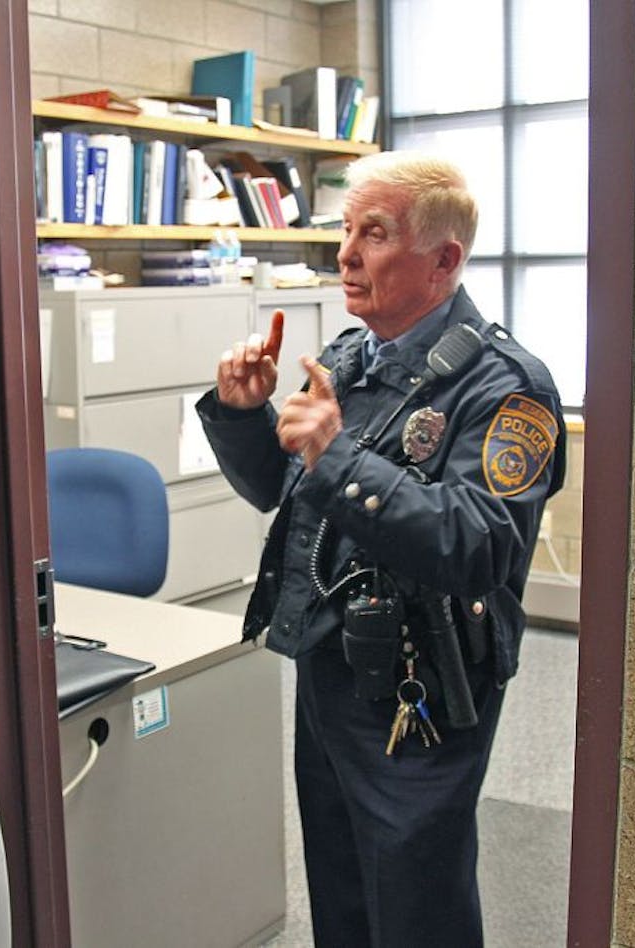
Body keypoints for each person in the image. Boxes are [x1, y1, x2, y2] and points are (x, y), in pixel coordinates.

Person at [196, 151, 566, 946]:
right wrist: (242, 415)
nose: (346, 254)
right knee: (341, 892)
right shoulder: (346, 361)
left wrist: (339, 457)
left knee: (414, 900)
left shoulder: (507, 388)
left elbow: (479, 545)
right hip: (330, 668)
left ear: (444, 260)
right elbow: (283, 495)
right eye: (344, 231)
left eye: (374, 233)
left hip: (422, 685)